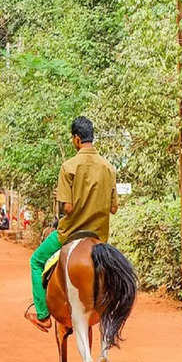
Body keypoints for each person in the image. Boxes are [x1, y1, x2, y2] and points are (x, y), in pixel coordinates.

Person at [24, 116, 118, 331]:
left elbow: (67, 208)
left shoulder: (68, 166)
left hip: (69, 233)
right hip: (99, 236)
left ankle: (42, 315)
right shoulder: (108, 167)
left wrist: (64, 197)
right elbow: (113, 208)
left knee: (36, 261)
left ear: (76, 139)